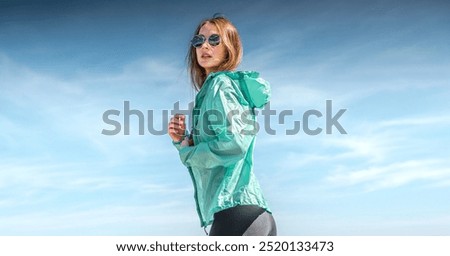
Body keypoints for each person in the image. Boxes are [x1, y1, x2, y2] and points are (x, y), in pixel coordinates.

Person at [168, 14, 276, 236]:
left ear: (229, 47)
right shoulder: (216, 90)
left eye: (214, 40)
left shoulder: (220, 85)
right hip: (250, 215)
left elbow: (235, 143)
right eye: (199, 41)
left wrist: (189, 153)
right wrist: (184, 142)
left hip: (236, 215)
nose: (204, 46)